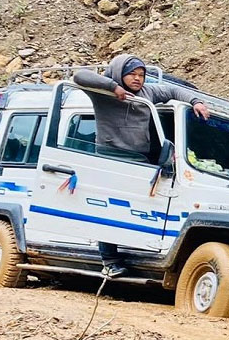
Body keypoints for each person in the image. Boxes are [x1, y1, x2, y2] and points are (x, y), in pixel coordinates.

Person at [73, 54, 210, 277]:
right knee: (110, 208)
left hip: (138, 157)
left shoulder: (148, 93)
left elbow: (174, 91)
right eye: (132, 75)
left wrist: (196, 101)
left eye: (141, 75)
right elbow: (79, 76)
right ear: (119, 74)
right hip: (111, 155)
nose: (137, 79)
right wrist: (113, 87)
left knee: (138, 204)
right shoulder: (102, 92)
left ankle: (137, 246)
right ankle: (109, 260)